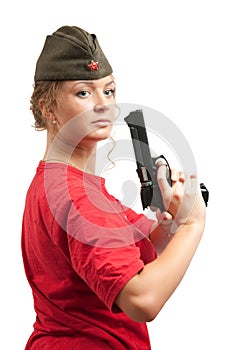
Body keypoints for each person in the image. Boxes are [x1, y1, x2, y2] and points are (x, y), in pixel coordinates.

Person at [21, 25, 206, 350]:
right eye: (83, 92)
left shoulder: (57, 184)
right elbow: (142, 299)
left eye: (109, 91)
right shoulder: (76, 197)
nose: (103, 104)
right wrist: (193, 224)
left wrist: (172, 220)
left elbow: (147, 243)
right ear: (47, 108)